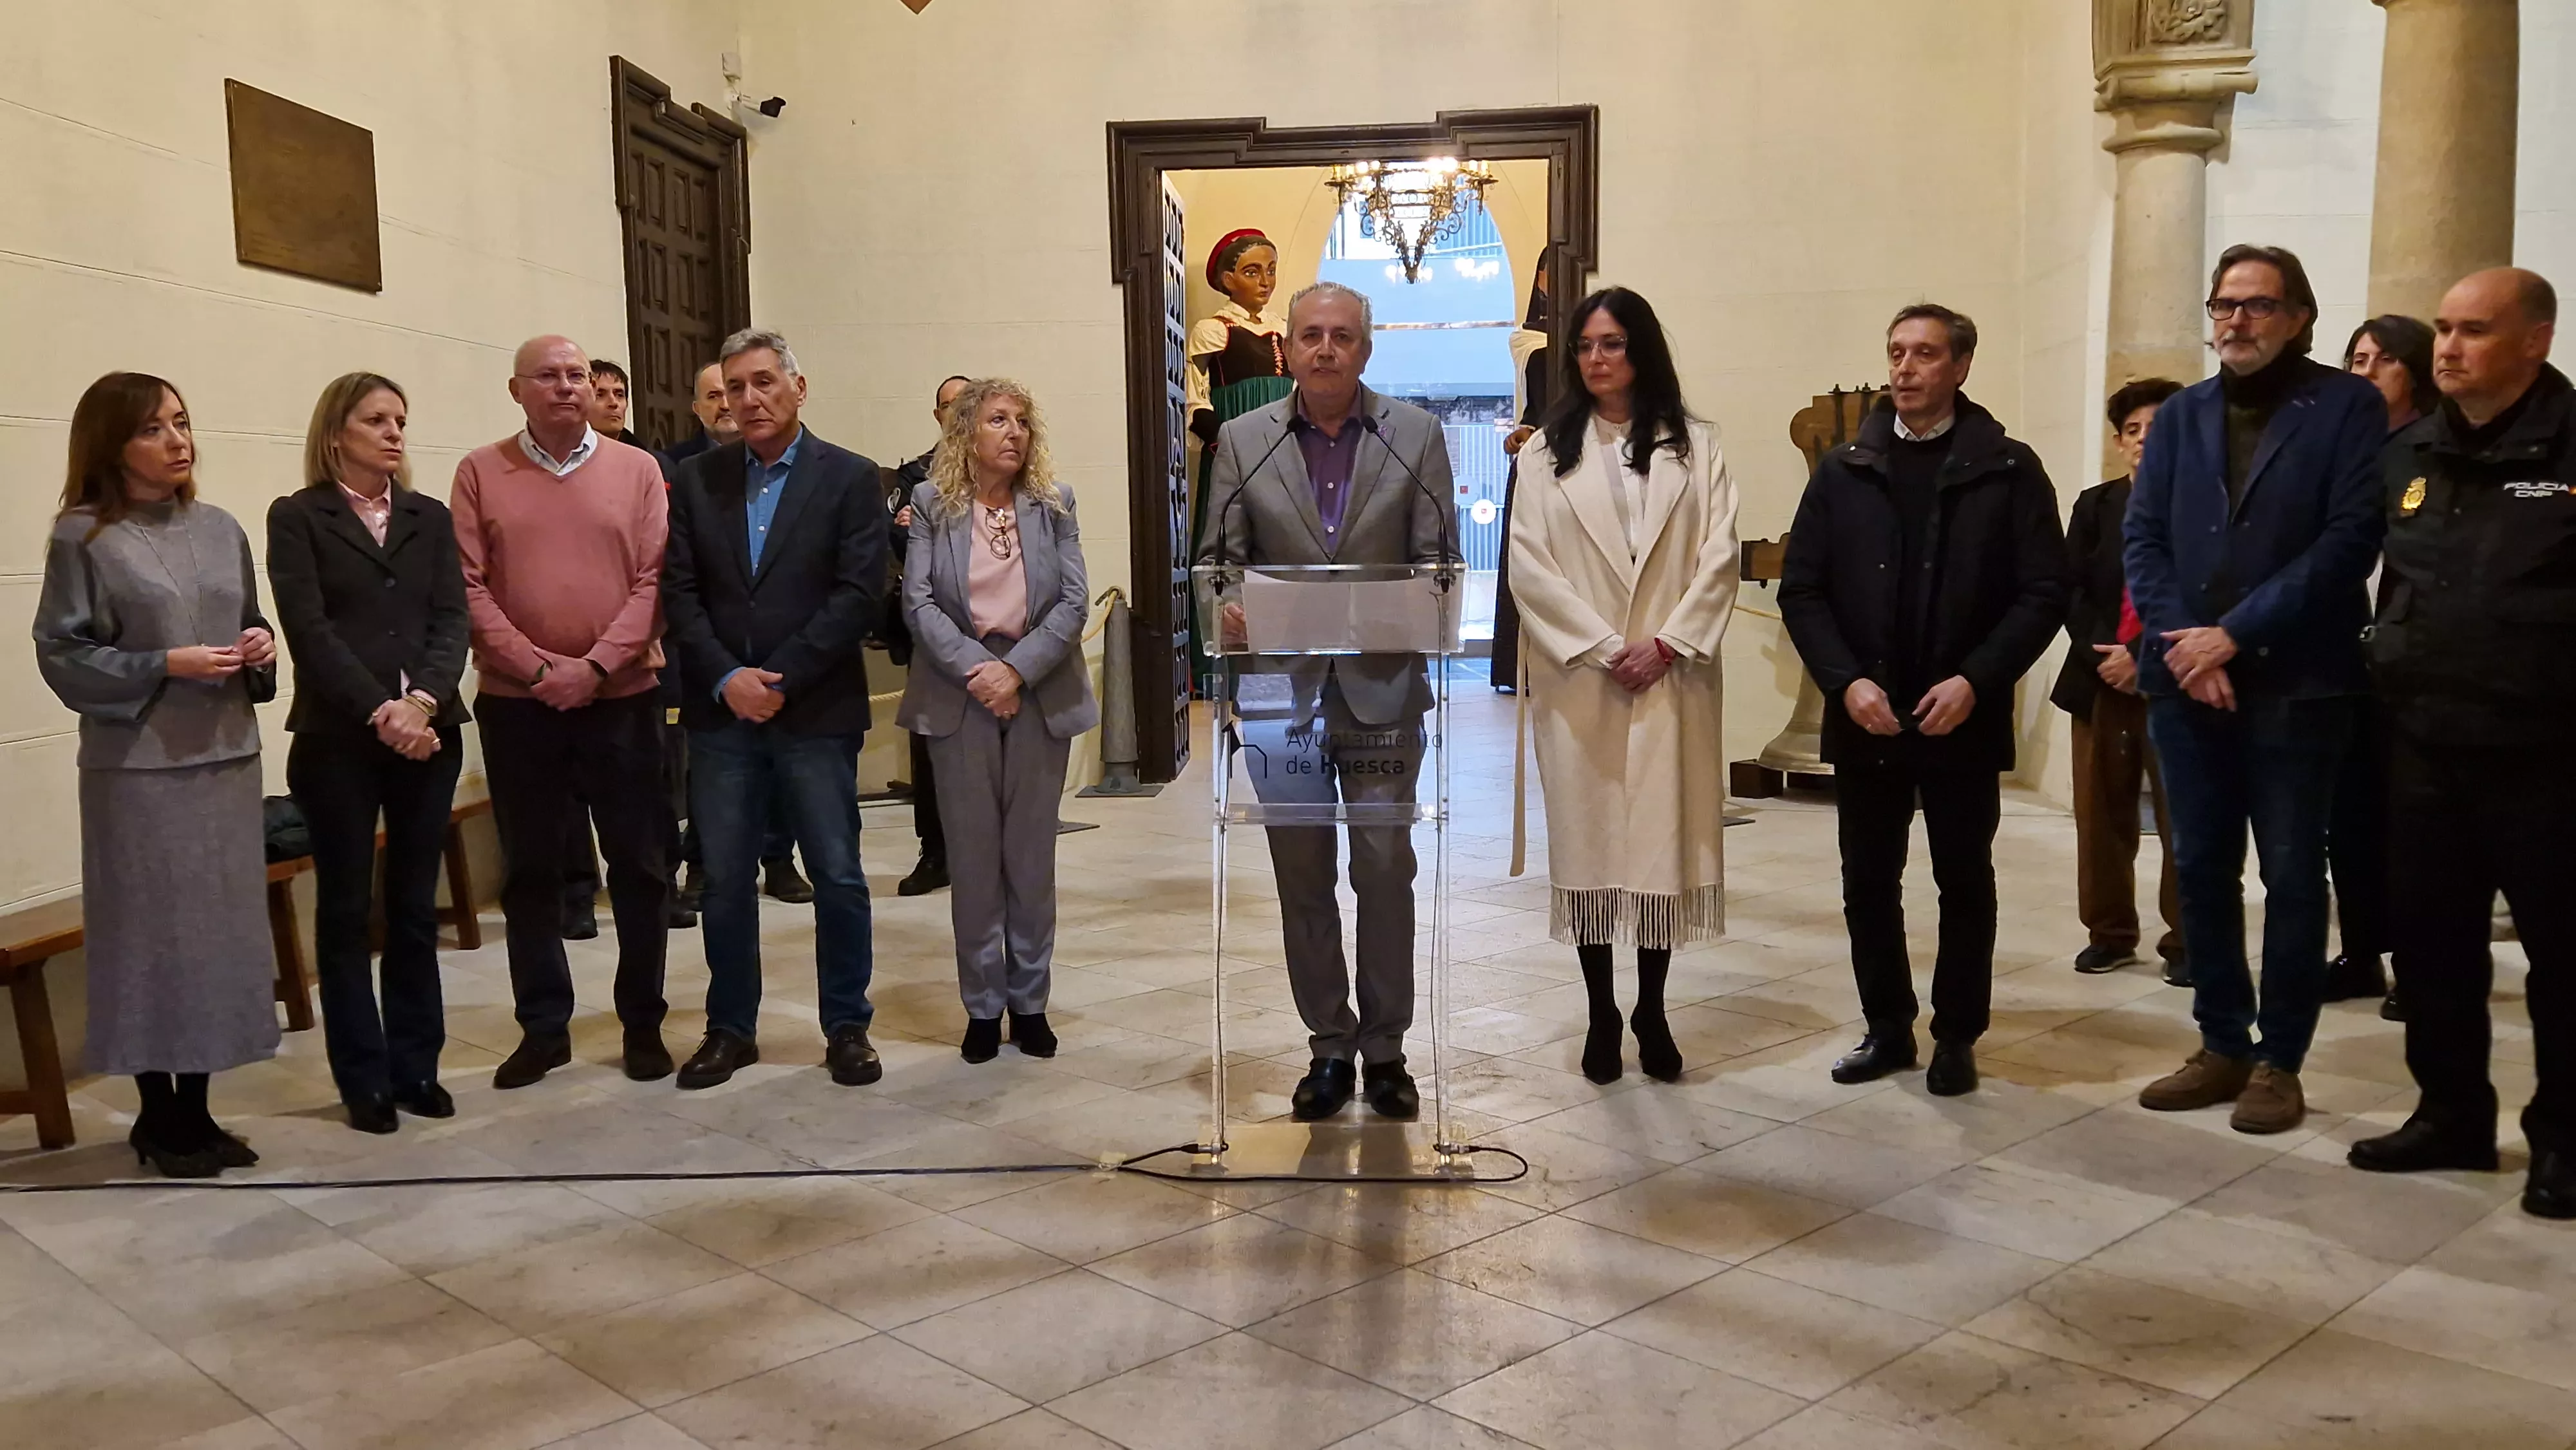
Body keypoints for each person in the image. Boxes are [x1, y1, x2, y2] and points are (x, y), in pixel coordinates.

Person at [2126, 245, 2387, 1135]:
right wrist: (2190, 650)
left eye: (2259, 306)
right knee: (2199, 867)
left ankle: (2281, 1059)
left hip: (2297, 680)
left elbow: (2351, 539)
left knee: (2289, 873)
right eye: (2225, 305)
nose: (2236, 321)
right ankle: (2220, 1041)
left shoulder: (2347, 405)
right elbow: (2145, 542)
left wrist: (2234, 635)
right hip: (2187, 684)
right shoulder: (2182, 416)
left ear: (2300, 317)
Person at [1779, 304, 2067, 1097]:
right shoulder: (1844, 470)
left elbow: (2043, 591)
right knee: (1867, 879)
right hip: (1867, 709)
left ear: (1961, 367)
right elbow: (1802, 590)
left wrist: (1978, 678)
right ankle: (1887, 1025)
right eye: (1895, 353)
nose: (1904, 369)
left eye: (1925, 354)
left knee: (1962, 878)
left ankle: (1955, 1034)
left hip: (1959, 713)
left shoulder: (2009, 468)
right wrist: (1846, 681)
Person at [1197, 280, 1455, 1121]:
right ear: (1289, 349)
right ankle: (1328, 1048)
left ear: (1366, 349)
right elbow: (1215, 562)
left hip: (1382, 690)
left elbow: (1440, 565)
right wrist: (1226, 607)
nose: (1325, 350)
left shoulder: (1415, 436)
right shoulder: (1244, 441)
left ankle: (1387, 1051)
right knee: (1302, 877)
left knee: (1385, 872)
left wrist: (1416, 604)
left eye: (1343, 336)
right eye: (1311, 335)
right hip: (1280, 695)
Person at [2349, 267, 2572, 1221]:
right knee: (2433, 950)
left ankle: (2565, 1139)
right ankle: (2451, 1115)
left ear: (2536, 341)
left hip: (2548, 755)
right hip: (2425, 747)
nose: (2447, 348)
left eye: (2474, 330)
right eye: (2441, 328)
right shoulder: (2413, 454)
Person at [34, 373, 279, 1176]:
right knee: (150, 940)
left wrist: (258, 645)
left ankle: (199, 1110)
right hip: (137, 768)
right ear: (111, 444)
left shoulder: (220, 526)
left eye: (181, 421)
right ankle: (156, 1112)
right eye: (152, 428)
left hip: (225, 758)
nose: (177, 440)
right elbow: (62, 650)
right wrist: (160, 663)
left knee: (215, 939)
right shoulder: (83, 536)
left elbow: (246, 613)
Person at [1506, 287, 1739, 1084]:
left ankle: (1654, 1006)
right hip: (1585, 681)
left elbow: (1720, 553)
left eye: (1614, 343)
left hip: (1671, 676)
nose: (1598, 359)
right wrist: (1607, 646)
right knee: (1592, 841)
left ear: (1642, 350)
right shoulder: (1543, 454)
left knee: (1659, 847)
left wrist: (1668, 641)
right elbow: (1529, 565)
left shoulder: (1694, 446)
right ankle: (1603, 1009)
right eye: (1586, 346)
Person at [662, 328, 889, 1090]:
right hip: (723, 714)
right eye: (735, 387)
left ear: (799, 385)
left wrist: (780, 676)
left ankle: (847, 1024)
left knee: (837, 872)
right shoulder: (697, 480)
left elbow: (859, 591)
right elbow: (680, 591)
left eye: (764, 382)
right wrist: (728, 676)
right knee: (724, 876)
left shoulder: (851, 477)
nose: (749, 399)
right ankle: (731, 1027)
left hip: (815, 711)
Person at [453, 335, 674, 1089]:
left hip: (623, 700)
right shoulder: (481, 471)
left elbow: (654, 578)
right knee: (532, 872)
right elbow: (468, 586)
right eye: (547, 376)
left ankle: (642, 1022)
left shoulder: (638, 469)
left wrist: (596, 665)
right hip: (522, 706)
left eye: (577, 374)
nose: (567, 387)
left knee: (642, 868)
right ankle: (543, 1028)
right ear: (516, 390)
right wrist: (541, 667)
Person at [267, 373, 471, 1135]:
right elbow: (308, 628)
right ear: (335, 433)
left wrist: (421, 702)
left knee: (414, 907)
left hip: (428, 735)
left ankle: (418, 1064)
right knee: (347, 911)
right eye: (376, 420)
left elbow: (452, 618)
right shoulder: (299, 517)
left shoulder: (427, 516)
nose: (394, 433)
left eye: (401, 421)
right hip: (337, 740)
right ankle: (363, 1076)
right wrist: (378, 708)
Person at [898, 379, 1098, 1061]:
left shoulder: (1054, 503)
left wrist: (1017, 670)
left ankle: (1030, 1003)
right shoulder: (931, 504)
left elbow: (1075, 600)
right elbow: (919, 603)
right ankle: (983, 1008)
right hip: (961, 696)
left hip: (1038, 692)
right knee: (976, 860)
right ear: (965, 434)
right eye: (996, 419)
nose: (1012, 431)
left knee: (1029, 860)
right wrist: (980, 671)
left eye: (1021, 420)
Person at [656, 362, 809, 911]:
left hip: (792, 666)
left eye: (742, 389)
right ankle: (702, 863)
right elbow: (678, 581)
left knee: (786, 774)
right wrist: (721, 668)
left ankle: (778, 859)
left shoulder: (813, 472)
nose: (731, 402)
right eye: (717, 395)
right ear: (697, 408)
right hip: (709, 666)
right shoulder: (677, 471)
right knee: (702, 775)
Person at [2324, 314, 2439, 1017]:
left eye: (2381, 361)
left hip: (2415, 665)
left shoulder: (2429, 449)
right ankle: (2360, 951)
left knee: (2413, 824)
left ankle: (2419, 963)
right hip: (2346, 658)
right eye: (2355, 358)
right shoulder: (2346, 452)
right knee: (2351, 817)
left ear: (2415, 372)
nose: (2363, 372)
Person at [2052, 379, 2186, 984]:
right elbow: (2068, 588)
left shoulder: (2204, 508)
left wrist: (2144, 657)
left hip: (2176, 679)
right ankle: (2109, 933)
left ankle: (2188, 938)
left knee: (2185, 814)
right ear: (2118, 442)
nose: (2144, 441)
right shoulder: (2096, 505)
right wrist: (2105, 655)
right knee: (2100, 815)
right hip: (2098, 678)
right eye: (2133, 431)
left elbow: (2202, 595)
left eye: (2157, 429)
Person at [1186, 230, 1293, 685]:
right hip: (1235, 450)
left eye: (1270, 270)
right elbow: (1196, 403)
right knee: (1228, 547)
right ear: (1228, 279)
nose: (1265, 281)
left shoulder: (1284, 329)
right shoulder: (1214, 330)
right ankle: (1218, 661)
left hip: (1284, 453)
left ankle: (1279, 651)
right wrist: (1230, 446)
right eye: (1252, 271)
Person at [887, 373, 974, 898]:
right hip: (932, 632)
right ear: (937, 416)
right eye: (949, 405)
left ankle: (985, 850)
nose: (958, 411)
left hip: (993, 636)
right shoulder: (915, 475)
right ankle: (935, 851)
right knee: (930, 746)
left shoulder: (1006, 471)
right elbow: (898, 542)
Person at [1493, 252, 1555, 693]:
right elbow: (1536, 402)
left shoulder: (1594, 337)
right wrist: (1526, 431)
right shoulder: (1529, 338)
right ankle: (1521, 668)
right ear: (1541, 277)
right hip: (1540, 454)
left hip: (1584, 456)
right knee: (1528, 559)